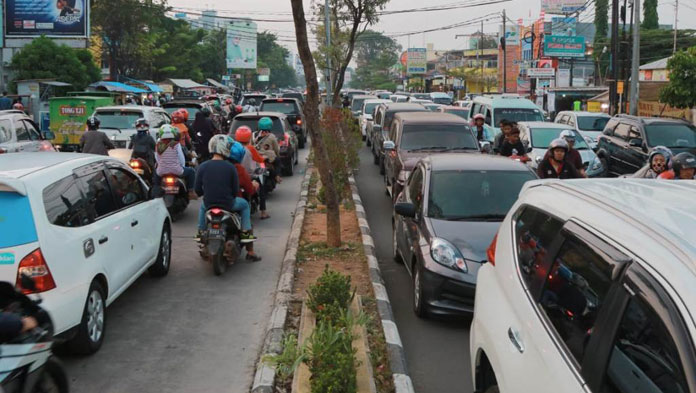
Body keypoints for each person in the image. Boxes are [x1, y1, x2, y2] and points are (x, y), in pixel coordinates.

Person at [195, 135, 258, 245]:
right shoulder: (231, 167)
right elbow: (234, 190)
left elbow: (198, 190)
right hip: (228, 204)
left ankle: (201, 231)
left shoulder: (202, 166)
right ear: (225, 148)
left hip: (209, 204)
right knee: (244, 205)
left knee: (202, 207)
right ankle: (245, 232)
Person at [154, 125, 197, 200]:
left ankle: (156, 192)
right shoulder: (176, 144)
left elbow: (157, 158)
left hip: (161, 171)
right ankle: (191, 192)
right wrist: (182, 166)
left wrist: (161, 165)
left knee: (155, 177)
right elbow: (181, 158)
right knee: (191, 171)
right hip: (176, 170)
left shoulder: (158, 145)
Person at [235, 126, 269, 219]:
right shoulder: (250, 148)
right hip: (250, 176)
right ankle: (263, 212)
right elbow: (259, 159)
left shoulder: (234, 147)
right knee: (261, 187)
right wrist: (265, 158)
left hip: (236, 175)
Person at [256, 117, 282, 184]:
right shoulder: (272, 136)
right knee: (278, 162)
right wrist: (277, 154)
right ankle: (277, 176)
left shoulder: (254, 135)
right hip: (269, 158)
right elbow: (276, 149)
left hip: (256, 158)